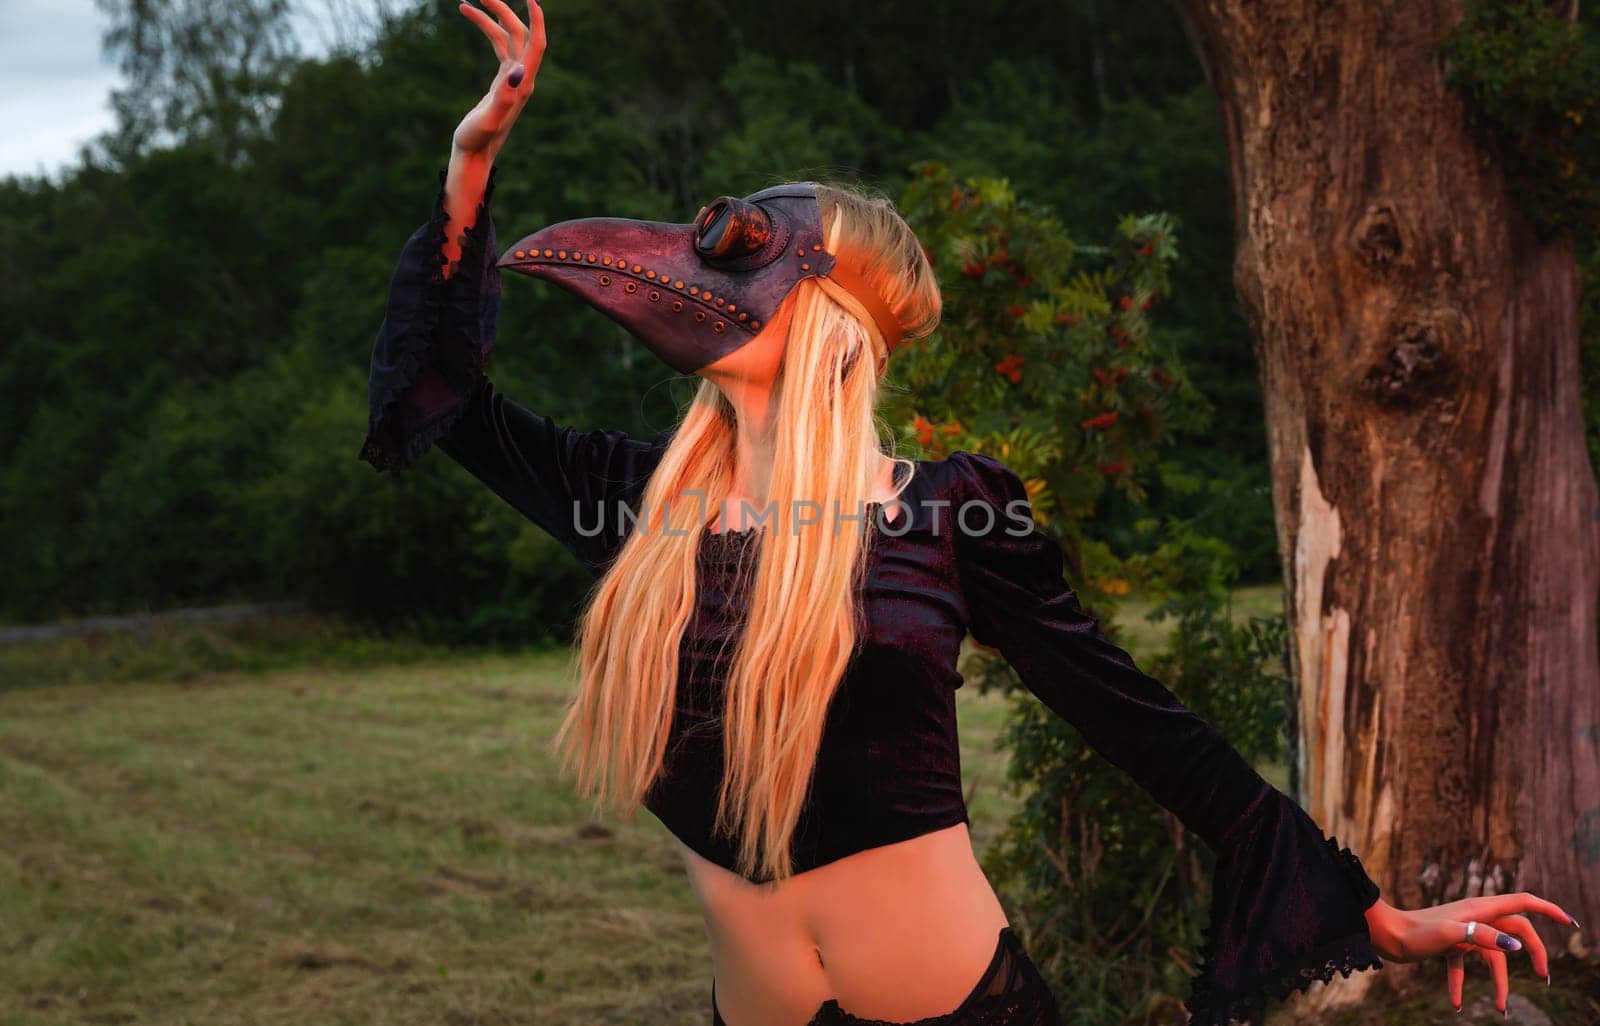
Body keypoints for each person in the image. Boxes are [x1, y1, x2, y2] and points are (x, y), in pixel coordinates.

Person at [357, 3, 1581, 1024]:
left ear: (828, 309)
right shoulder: (637, 504)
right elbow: (439, 397)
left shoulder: (945, 517)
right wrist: (472, 166)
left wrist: (1360, 907)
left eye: (744, 254)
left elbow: (1129, 712)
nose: (705, 274)